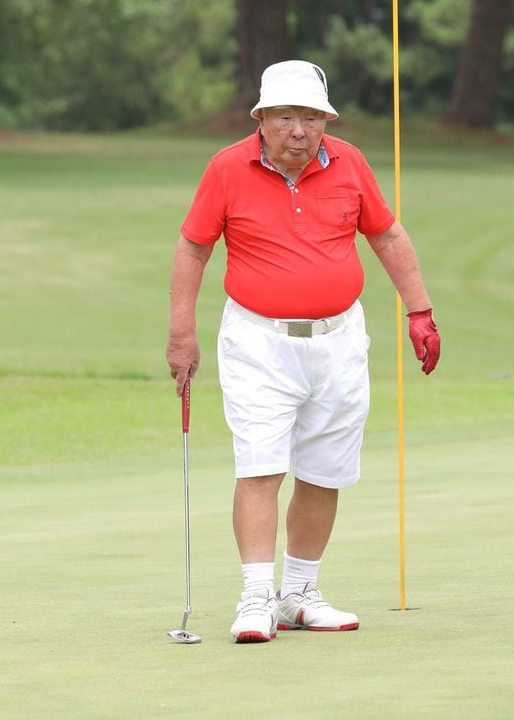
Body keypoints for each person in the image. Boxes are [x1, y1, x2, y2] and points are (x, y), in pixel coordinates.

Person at [166, 60, 440, 644]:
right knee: (261, 466)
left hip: (339, 341)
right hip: (259, 342)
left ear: (326, 121)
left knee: (324, 471)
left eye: (311, 117)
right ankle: (255, 597)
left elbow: (386, 234)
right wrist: (181, 333)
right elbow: (194, 249)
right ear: (261, 119)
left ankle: (298, 593)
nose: (299, 129)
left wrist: (419, 310)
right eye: (285, 116)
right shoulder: (226, 168)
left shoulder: (350, 162)